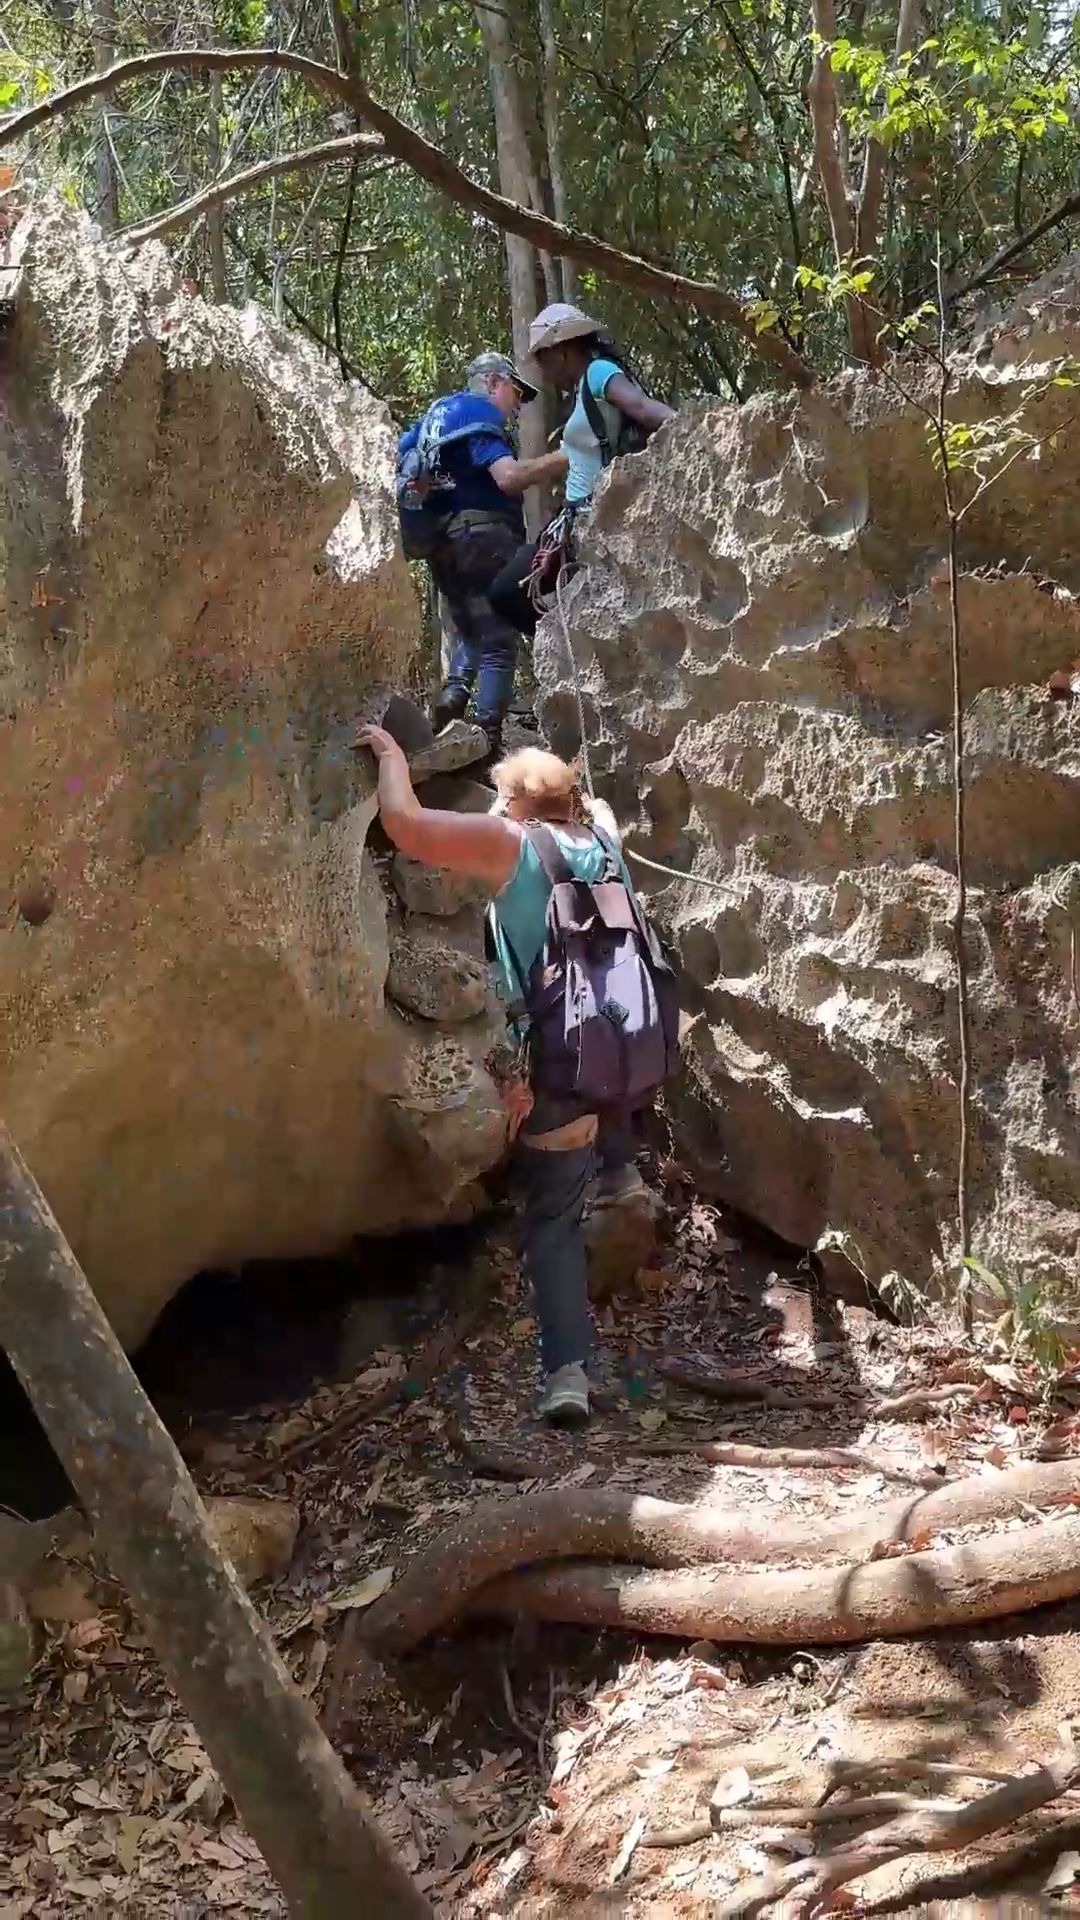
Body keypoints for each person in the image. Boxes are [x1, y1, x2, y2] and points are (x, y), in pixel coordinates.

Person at [356, 726, 671, 1428]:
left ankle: (567, 1374)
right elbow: (602, 820)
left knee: (553, 1219)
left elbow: (406, 827)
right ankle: (623, 1173)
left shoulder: (512, 846)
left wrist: (391, 758)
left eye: (501, 798)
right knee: (604, 1110)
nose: (494, 810)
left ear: (519, 805)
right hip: (627, 1052)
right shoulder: (608, 846)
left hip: (561, 1059)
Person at [397, 351, 569, 756]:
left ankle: (451, 700)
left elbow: (401, 459)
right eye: (515, 392)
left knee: (469, 631)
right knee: (498, 639)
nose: (518, 404)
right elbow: (508, 478)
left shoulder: (432, 416)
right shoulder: (478, 412)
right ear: (494, 382)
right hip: (483, 534)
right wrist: (565, 457)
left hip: (441, 539)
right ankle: (488, 736)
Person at [489, 305, 675, 638]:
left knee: (506, 592)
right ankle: (568, 644)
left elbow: (641, 408)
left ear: (562, 350)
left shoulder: (598, 372)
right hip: (572, 522)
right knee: (507, 593)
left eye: (543, 360)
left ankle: (569, 643)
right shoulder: (581, 392)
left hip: (589, 519)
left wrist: (700, 425)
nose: (544, 372)